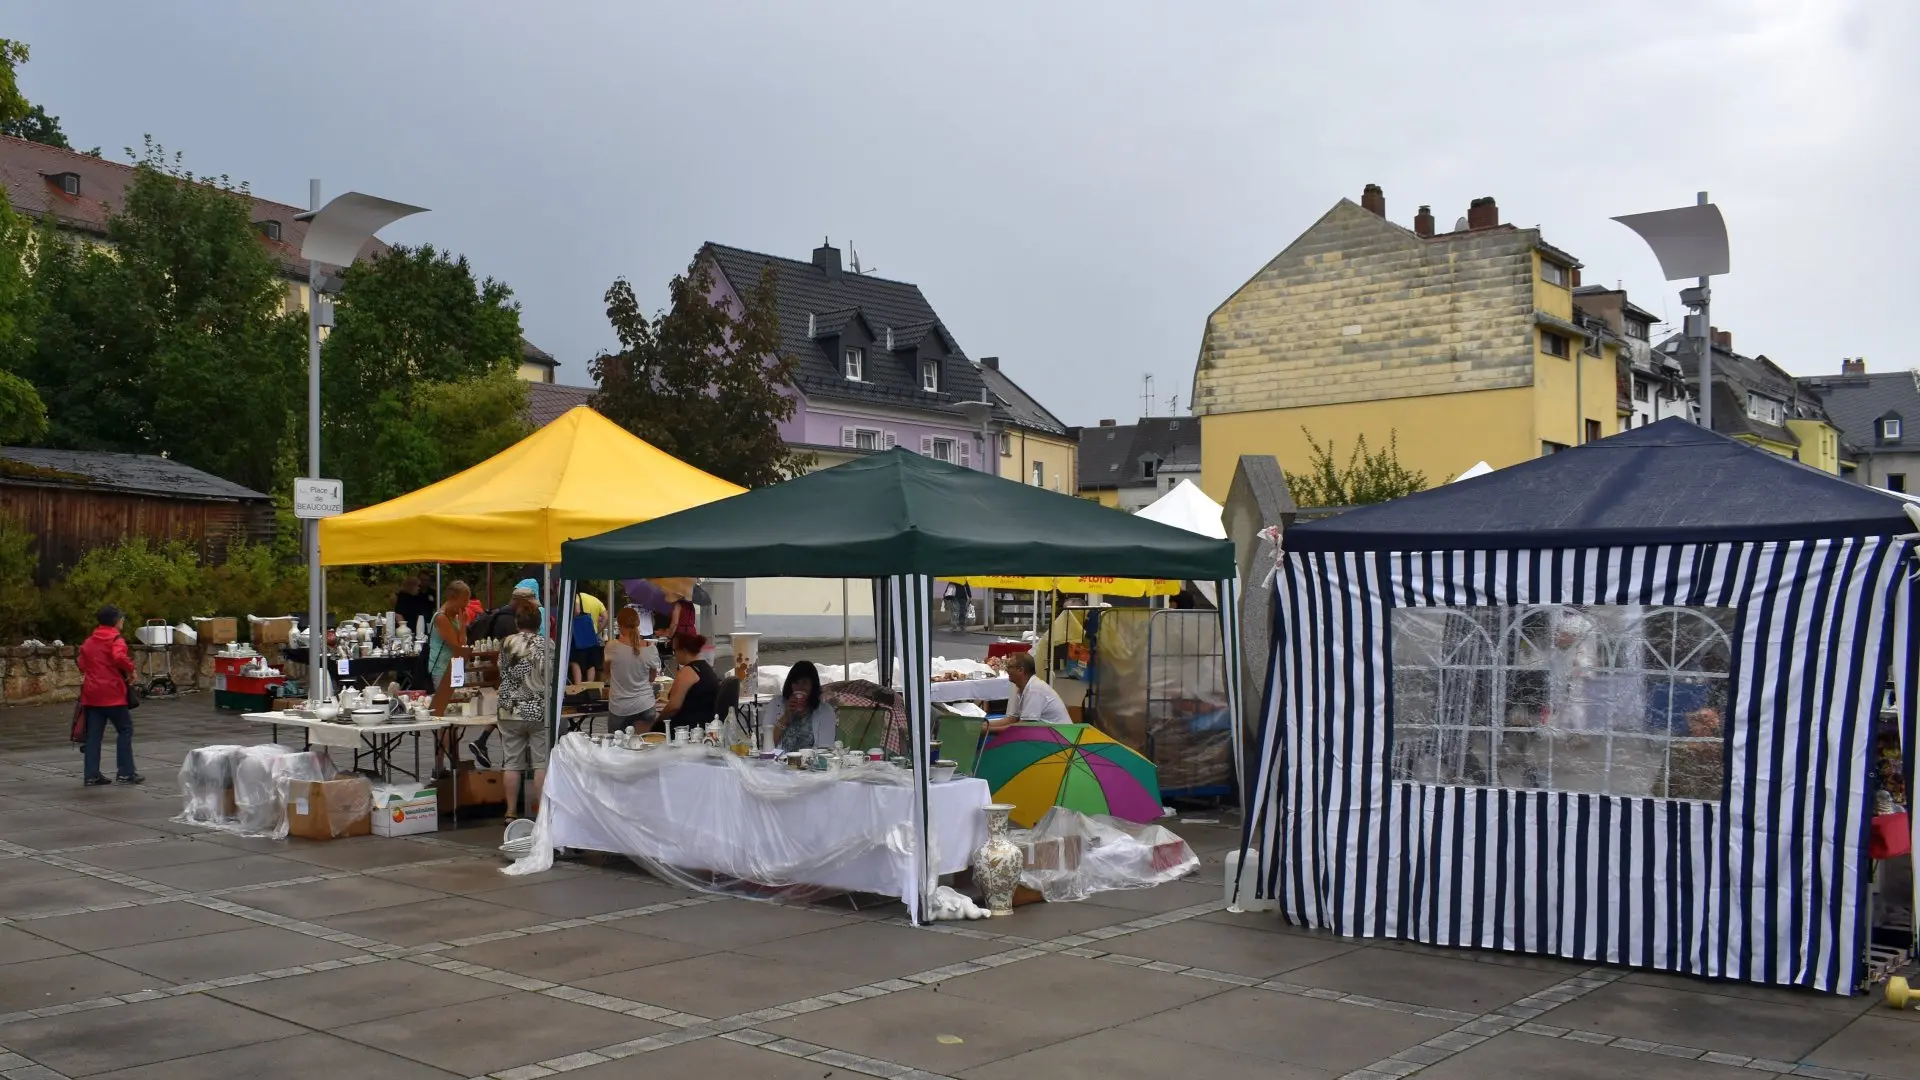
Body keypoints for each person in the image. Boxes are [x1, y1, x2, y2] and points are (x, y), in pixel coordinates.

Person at [495, 606, 555, 821]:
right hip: (538, 709)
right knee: (540, 763)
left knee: (511, 763)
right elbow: (551, 674)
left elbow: (501, 669)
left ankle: (510, 811)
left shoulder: (506, 643)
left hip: (509, 708)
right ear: (539, 623)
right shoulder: (548, 644)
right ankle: (543, 815)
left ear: (517, 622)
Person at [78, 605, 142, 786]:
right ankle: (126, 772)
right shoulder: (116, 639)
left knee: (93, 735)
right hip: (113, 693)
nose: (123, 621)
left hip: (92, 694)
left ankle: (91, 775)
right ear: (116, 621)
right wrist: (131, 670)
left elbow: (82, 664)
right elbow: (119, 657)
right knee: (125, 729)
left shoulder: (89, 641)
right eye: (121, 618)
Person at [428, 580, 472, 775]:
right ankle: (440, 763)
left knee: (455, 716)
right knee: (443, 717)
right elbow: (459, 645)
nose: (466, 604)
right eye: (464, 600)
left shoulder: (452, 616)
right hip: (442, 671)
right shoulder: (441, 618)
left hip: (454, 668)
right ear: (453, 598)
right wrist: (462, 626)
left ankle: (454, 759)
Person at [606, 605, 663, 733]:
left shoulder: (612, 647)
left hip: (620, 707)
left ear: (619, 625)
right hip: (645, 704)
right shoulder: (650, 648)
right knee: (645, 744)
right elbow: (652, 678)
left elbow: (607, 672)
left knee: (616, 744)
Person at [987, 651, 1071, 731]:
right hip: (1046, 733)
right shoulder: (1021, 688)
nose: (1007, 670)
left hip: (1060, 735)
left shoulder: (1034, 688)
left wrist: (986, 730)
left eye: (1009, 667)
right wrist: (984, 725)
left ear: (1020, 670)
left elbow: (1022, 727)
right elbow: (1012, 719)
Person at [656, 632, 718, 737]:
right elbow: (695, 700)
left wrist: (658, 720)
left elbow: (673, 707)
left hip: (687, 729)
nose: (674, 654)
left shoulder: (688, 671)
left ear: (683, 650)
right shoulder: (706, 668)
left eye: (675, 650)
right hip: (705, 724)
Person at [771, 661, 838, 754]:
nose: (800, 687)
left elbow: (825, 749)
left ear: (813, 686)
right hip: (779, 761)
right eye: (796, 683)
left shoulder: (825, 711)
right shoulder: (776, 704)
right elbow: (768, 745)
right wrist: (785, 717)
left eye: (805, 683)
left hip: (811, 761)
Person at [569, 594, 604, 684]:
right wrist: (598, 631)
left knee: (575, 661)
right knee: (591, 663)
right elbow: (606, 617)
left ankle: (578, 686)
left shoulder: (575, 596)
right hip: (591, 635)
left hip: (577, 635)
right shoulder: (596, 600)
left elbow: (577, 611)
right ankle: (590, 686)